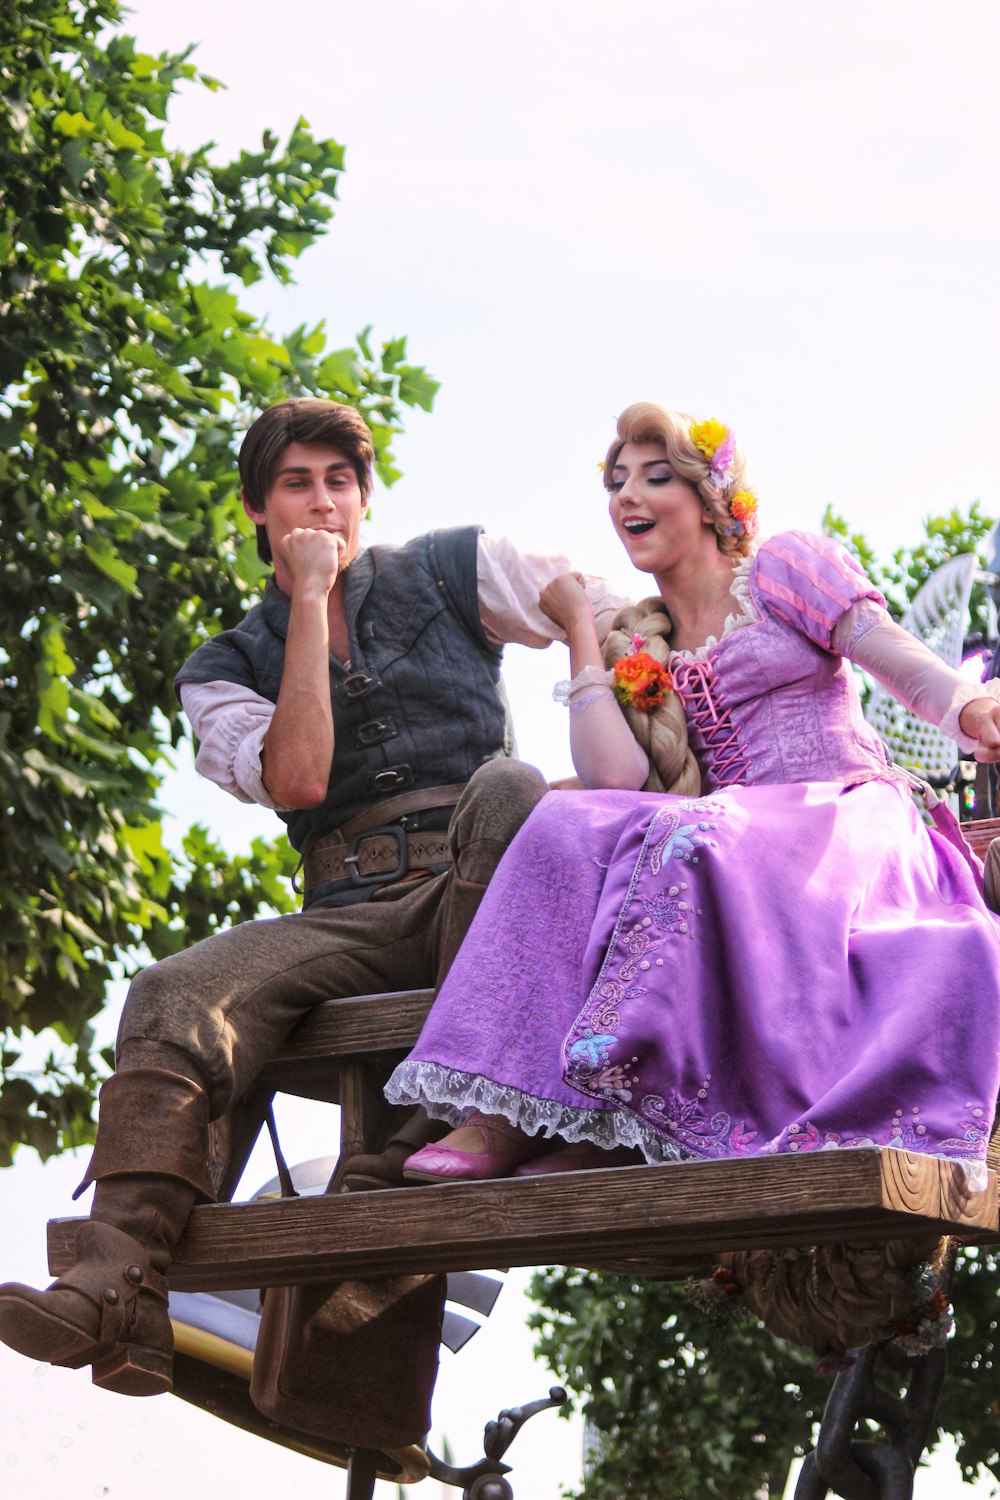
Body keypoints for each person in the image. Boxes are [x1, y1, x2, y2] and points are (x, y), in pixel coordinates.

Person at [0, 397, 626, 1401]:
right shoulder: (219, 673)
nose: (323, 502)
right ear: (259, 509)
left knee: (511, 786)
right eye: (298, 483)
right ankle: (116, 1282)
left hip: (487, 891)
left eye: (340, 482)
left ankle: (428, 1139)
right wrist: (306, 601)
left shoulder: (449, 567)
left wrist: (596, 665)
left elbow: (587, 597)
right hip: (347, 909)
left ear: (365, 495)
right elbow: (296, 777)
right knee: (171, 989)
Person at [389, 402, 1000, 1196]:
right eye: (616, 482)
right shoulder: (643, 642)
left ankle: (630, 1116)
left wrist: (971, 709)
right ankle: (521, 1114)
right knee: (564, 822)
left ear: (714, 499)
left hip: (844, 822)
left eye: (654, 476)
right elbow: (612, 780)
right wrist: (580, 629)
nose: (626, 497)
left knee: (694, 833)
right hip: (736, 840)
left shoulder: (785, 567)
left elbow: (896, 659)